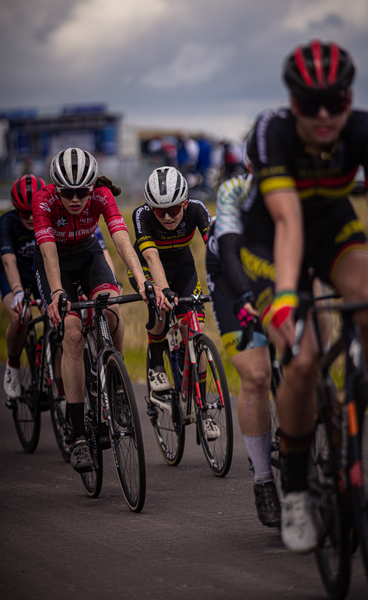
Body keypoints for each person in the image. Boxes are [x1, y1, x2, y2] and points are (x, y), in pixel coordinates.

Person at [239, 40, 368, 553]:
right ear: (291, 102)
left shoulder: (361, 129)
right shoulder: (273, 130)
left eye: (333, 103)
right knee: (303, 358)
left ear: (349, 98)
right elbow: (288, 220)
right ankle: (293, 490)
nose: (321, 115)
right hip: (271, 239)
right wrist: (288, 299)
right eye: (308, 103)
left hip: (333, 227)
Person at [32, 148, 165, 473]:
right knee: (74, 334)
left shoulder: (102, 195)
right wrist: (58, 293)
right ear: (56, 188)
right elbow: (48, 253)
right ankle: (78, 434)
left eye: (82, 192)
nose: (76, 199)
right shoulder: (43, 201)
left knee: (111, 309)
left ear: (92, 187)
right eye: (68, 193)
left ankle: (116, 384)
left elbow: (121, 239)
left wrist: (141, 281)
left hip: (89, 254)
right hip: (56, 261)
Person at [206, 137, 281, 528]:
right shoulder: (235, 191)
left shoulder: (300, 187)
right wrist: (249, 299)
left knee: (305, 356)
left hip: (274, 271)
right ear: (251, 165)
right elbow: (233, 255)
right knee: (256, 375)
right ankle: (264, 480)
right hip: (230, 276)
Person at [128, 166, 219, 439]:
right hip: (149, 268)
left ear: (185, 202)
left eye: (174, 209)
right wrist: (162, 290)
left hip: (183, 268)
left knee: (196, 334)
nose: (167, 216)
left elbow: (215, 246)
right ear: (150, 207)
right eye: (159, 210)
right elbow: (152, 259)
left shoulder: (197, 209)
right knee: (159, 307)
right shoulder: (141, 215)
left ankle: (202, 411)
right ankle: (157, 364)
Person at [0, 174, 45, 400]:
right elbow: (8, 260)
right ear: (16, 209)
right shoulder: (7, 222)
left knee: (61, 319)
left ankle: (58, 381)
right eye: (24, 213)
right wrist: (17, 290)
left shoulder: (49, 219)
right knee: (20, 317)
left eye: (34, 211)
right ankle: (13, 365)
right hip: (14, 274)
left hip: (39, 274)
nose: (30, 217)